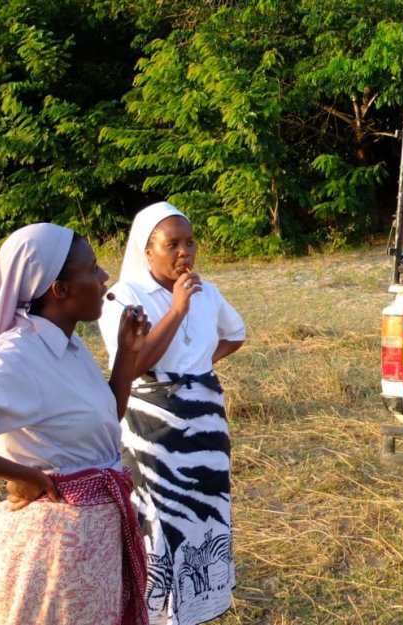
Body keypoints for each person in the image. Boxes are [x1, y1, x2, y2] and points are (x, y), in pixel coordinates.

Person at [0, 223, 151, 625]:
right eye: (92, 269)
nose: (103, 277)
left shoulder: (68, 344)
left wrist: (127, 355)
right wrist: (23, 474)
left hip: (88, 550)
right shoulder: (17, 356)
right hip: (50, 550)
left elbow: (102, 423)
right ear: (60, 290)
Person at [99, 202, 246, 625]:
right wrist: (177, 309)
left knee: (205, 510)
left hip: (205, 421)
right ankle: (155, 613)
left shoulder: (206, 290)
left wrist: (196, 366)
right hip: (152, 423)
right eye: (172, 245)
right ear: (147, 252)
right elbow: (136, 363)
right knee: (158, 516)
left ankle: (201, 606)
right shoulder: (124, 297)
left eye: (190, 242)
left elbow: (234, 335)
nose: (185, 252)